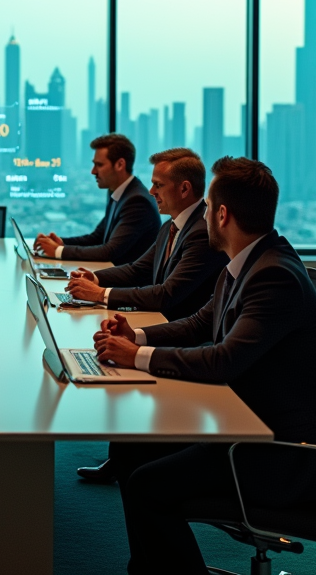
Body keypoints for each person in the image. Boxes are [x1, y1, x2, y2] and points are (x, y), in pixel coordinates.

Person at [91, 157, 316, 575]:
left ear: (223, 214)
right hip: (251, 423)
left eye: (209, 206)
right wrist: (134, 336)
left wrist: (133, 357)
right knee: (135, 452)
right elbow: (199, 324)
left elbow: (222, 361)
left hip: (291, 456)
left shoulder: (274, 276)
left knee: (147, 486)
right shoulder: (245, 263)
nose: (205, 215)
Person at [68, 148, 227, 484]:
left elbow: (168, 294)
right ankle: (126, 458)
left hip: (185, 335)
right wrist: (96, 280)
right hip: (166, 327)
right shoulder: (171, 226)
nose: (151, 191)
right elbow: (141, 269)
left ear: (184, 189)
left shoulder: (199, 231)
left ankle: (130, 460)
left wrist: (102, 296)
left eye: (158, 185)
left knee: (119, 360)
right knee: (115, 350)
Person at [34, 134, 159, 266]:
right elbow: (98, 237)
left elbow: (109, 251)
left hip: (129, 284)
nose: (93, 171)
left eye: (99, 165)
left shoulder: (137, 201)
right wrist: (61, 243)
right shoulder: (121, 193)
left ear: (120, 164)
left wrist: (58, 251)